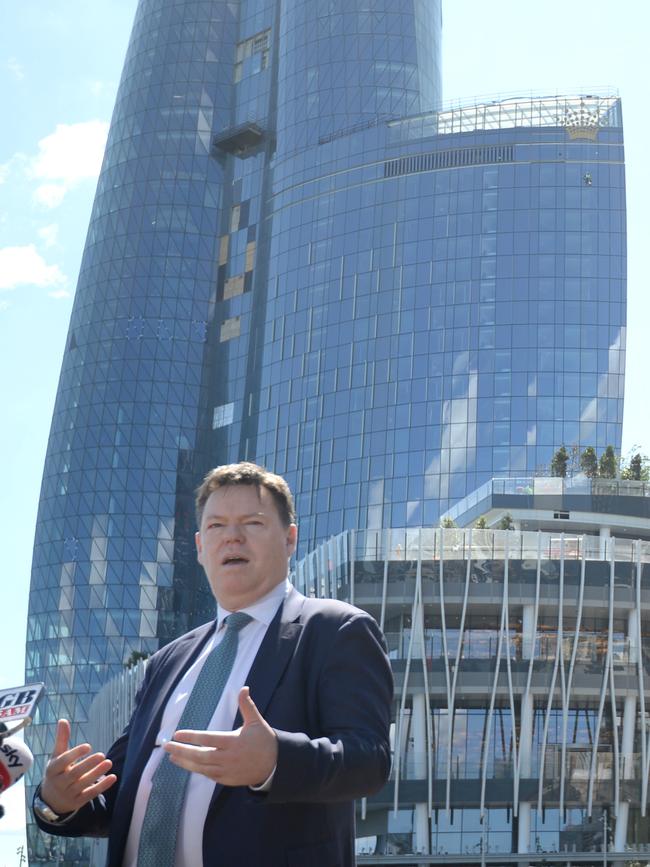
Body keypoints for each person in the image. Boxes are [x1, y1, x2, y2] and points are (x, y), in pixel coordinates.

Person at [33, 462, 393, 866]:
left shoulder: (336, 629)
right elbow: (120, 791)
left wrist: (276, 760)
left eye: (253, 523)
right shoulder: (168, 661)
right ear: (201, 547)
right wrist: (58, 802)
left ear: (290, 539)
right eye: (217, 526)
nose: (233, 537)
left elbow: (369, 760)